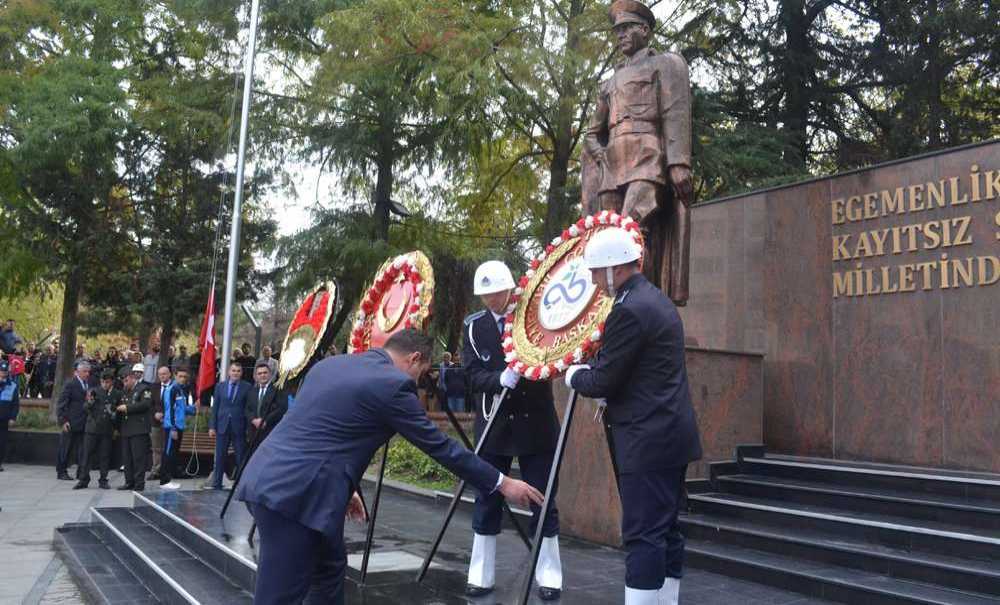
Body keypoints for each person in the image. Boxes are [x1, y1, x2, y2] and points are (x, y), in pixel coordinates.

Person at [236, 329, 544, 605]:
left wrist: (348, 488)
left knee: (329, 569)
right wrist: (502, 482)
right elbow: (441, 447)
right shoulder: (393, 385)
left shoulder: (331, 366)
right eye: (422, 374)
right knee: (278, 595)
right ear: (414, 358)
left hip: (276, 478)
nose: (418, 382)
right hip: (294, 498)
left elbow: (325, 431)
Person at [565, 227, 702, 605]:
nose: (593, 279)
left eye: (596, 271)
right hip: (670, 436)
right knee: (667, 529)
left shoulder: (629, 310)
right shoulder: (654, 299)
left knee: (643, 534)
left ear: (615, 269)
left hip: (648, 440)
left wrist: (574, 374)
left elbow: (605, 379)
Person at [462, 260, 564, 600]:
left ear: (510, 288)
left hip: (535, 422)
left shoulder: (533, 318)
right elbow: (472, 375)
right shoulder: (474, 328)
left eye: (497, 293)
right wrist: (497, 380)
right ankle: (480, 573)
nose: (492, 300)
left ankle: (549, 575)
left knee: (543, 499)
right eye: (486, 295)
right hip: (495, 424)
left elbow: (553, 357)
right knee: (486, 497)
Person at [582, 0, 694, 304]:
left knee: (633, 232)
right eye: (617, 30)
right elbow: (593, 133)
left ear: (644, 30)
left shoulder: (665, 64)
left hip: (648, 158)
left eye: (627, 28)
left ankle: (644, 305)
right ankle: (609, 311)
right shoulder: (611, 80)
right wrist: (602, 157)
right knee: (608, 238)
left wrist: (678, 162)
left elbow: (675, 112)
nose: (620, 35)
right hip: (613, 165)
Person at [74, 371, 120, 490]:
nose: (105, 384)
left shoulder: (116, 394)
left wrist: (116, 427)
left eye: (107, 382)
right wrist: (90, 401)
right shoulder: (94, 391)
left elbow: (118, 412)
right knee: (87, 455)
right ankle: (84, 479)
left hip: (107, 429)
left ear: (112, 382)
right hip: (92, 429)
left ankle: (103, 479)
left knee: (104, 456)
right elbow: (85, 407)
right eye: (103, 382)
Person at [207, 363, 250, 490]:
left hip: (239, 426)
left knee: (240, 456)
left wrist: (248, 428)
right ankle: (217, 484)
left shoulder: (247, 387)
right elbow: (215, 408)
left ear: (241, 373)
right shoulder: (220, 386)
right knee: (220, 456)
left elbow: (248, 408)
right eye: (233, 370)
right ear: (229, 372)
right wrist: (212, 426)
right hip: (222, 426)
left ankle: (241, 485)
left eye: (238, 371)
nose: (235, 373)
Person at [117, 364, 153, 491]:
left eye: (126, 380)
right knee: (127, 458)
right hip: (126, 429)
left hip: (139, 429)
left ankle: (139, 483)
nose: (124, 383)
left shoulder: (144, 389)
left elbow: (145, 404)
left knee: (138, 458)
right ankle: (129, 482)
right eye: (123, 381)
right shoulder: (124, 392)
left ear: (132, 378)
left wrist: (128, 408)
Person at [160, 367, 195, 490]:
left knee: (173, 453)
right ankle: (164, 480)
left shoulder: (181, 390)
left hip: (179, 426)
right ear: (174, 376)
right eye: (180, 376)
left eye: (185, 377)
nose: (183, 379)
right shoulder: (172, 389)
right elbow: (170, 410)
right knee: (168, 452)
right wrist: (173, 428)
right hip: (172, 427)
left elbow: (182, 408)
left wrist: (194, 408)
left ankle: (168, 478)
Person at [56, 361, 91, 481]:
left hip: (84, 422)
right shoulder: (70, 384)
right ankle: (61, 471)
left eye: (88, 371)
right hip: (70, 422)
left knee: (82, 449)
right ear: (78, 372)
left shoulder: (87, 385)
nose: (87, 374)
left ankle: (80, 472)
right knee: (66, 448)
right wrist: (63, 420)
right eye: (85, 371)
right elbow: (62, 403)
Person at [245, 363, 287, 451]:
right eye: (259, 373)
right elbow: (247, 409)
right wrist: (253, 420)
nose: (262, 375)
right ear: (256, 376)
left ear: (270, 374)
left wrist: (265, 421)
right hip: (254, 433)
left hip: (270, 431)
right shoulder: (252, 391)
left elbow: (281, 408)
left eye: (265, 373)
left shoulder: (278, 390)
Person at [148, 366, 173, 481]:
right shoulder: (154, 387)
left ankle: (166, 471)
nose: (162, 376)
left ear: (169, 374)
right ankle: (156, 470)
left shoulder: (175, 387)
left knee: (168, 448)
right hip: (156, 422)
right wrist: (155, 414)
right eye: (160, 374)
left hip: (170, 423)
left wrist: (166, 416)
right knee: (156, 448)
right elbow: (150, 404)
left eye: (164, 374)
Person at [0, 360, 19, 471]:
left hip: (4, 418)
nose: (3, 373)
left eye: (4, 371)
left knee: (1, 442)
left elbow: (15, 404)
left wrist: (13, 417)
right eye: (1, 371)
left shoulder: (12, 385)